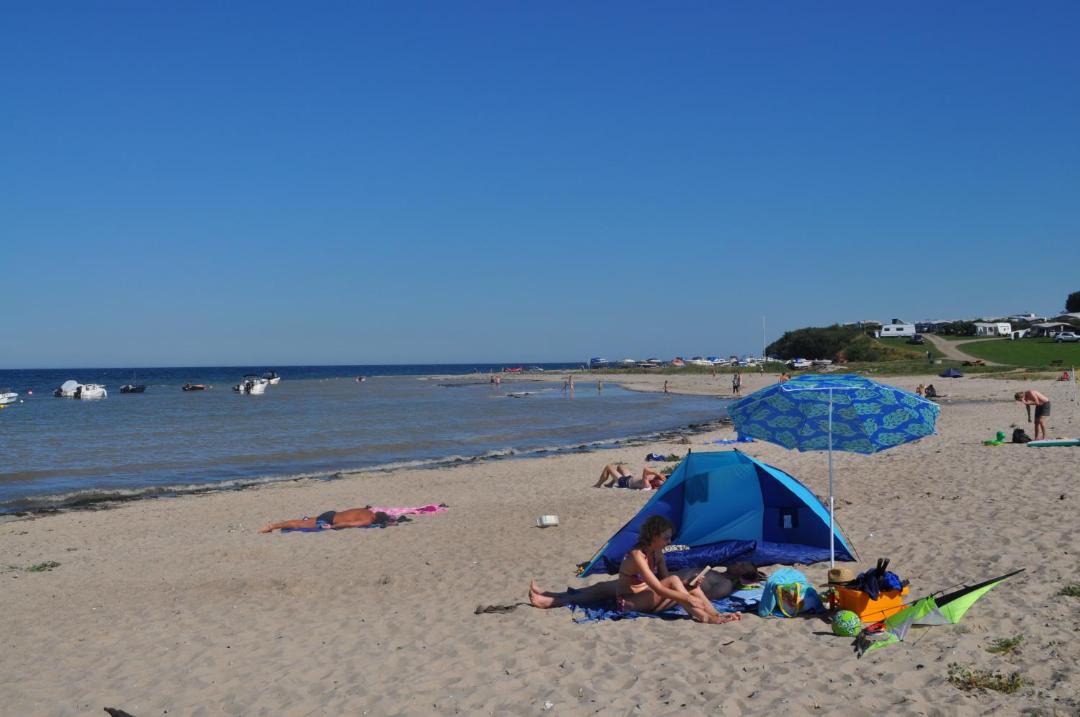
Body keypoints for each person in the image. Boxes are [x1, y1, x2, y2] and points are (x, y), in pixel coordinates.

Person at [528, 515, 739, 624]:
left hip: (643, 594)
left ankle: (714, 615)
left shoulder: (657, 553)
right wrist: (686, 598)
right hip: (629, 601)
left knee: (684, 584)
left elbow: (666, 579)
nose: (669, 541)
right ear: (653, 536)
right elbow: (659, 586)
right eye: (665, 537)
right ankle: (549, 599)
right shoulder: (637, 555)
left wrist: (689, 588)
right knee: (603, 587)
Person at [528, 562, 765, 609]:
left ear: (743, 577)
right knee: (603, 585)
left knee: (603, 590)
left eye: (742, 565)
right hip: (659, 580)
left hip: (662, 589)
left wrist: (689, 583)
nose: (737, 562)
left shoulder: (725, 585)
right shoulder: (718, 571)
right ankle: (556, 595)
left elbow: (695, 593)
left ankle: (551, 601)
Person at [259, 506, 392, 533]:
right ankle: (272, 526)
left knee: (305, 521)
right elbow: (348, 524)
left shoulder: (367, 510)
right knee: (299, 524)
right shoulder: (368, 520)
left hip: (332, 513)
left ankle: (308, 518)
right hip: (329, 520)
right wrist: (333, 527)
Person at [594, 463, 666, 490]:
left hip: (624, 481)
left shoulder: (647, 485)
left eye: (658, 480)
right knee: (620, 466)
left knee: (608, 467)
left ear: (656, 484)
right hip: (629, 477)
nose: (657, 478)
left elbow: (645, 470)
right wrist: (659, 476)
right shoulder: (650, 481)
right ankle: (611, 483)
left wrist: (657, 473)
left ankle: (598, 484)